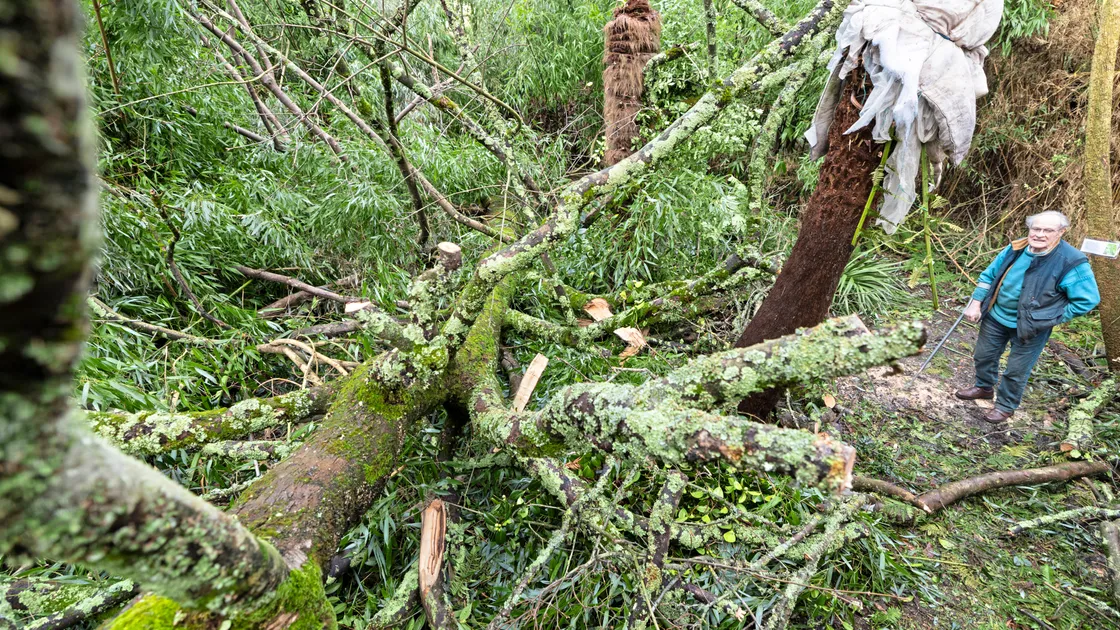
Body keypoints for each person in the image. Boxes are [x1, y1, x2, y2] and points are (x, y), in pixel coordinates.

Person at [954, 211, 1100, 423]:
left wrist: (1051, 318)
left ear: (1061, 232)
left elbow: (1087, 300)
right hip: (996, 316)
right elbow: (989, 275)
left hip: (1032, 327)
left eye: (1048, 230)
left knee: (1016, 369)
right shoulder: (1016, 248)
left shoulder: (1071, 262)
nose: (1040, 234)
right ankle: (984, 387)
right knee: (983, 356)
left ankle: (1005, 406)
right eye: (1036, 228)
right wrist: (976, 303)